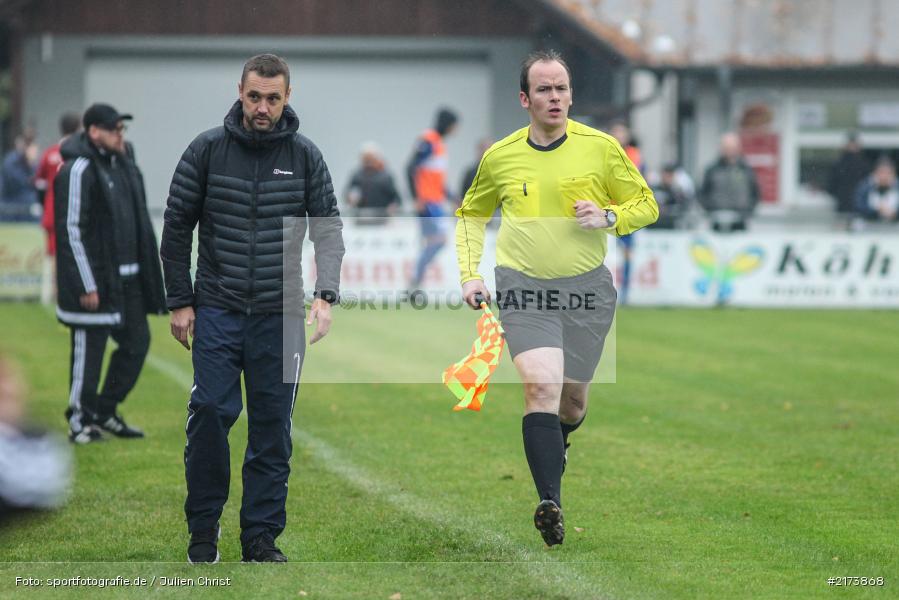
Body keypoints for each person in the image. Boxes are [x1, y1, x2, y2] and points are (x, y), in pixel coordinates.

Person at [454, 50, 658, 546]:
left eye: (562, 88)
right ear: (525, 99)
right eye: (544, 89)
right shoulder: (500, 156)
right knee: (540, 388)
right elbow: (470, 214)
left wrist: (609, 217)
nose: (555, 97)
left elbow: (646, 204)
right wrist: (469, 274)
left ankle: (559, 441)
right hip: (523, 286)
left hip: (587, 288)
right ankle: (551, 502)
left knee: (571, 400)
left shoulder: (602, 148)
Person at [161, 53, 345, 564]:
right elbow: (176, 228)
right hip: (217, 307)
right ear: (239, 91)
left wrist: (326, 294)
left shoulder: (306, 155)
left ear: (288, 97)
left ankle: (260, 539)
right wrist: (180, 301)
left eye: (273, 98)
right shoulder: (206, 150)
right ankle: (204, 529)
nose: (262, 108)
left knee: (271, 429)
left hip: (282, 314)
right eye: (254, 97)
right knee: (209, 414)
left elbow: (328, 229)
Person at [53, 103, 167, 445]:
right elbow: (71, 230)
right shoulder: (78, 169)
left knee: (137, 343)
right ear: (94, 132)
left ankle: (105, 409)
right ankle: (79, 419)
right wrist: (85, 283)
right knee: (90, 352)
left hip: (129, 280)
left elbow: (139, 221)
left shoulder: (125, 164)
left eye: (122, 129)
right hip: (97, 283)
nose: (121, 135)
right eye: (114, 129)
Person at [407, 107, 458, 291]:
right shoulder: (428, 141)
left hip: (435, 200)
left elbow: (436, 179)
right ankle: (414, 280)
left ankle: (415, 284)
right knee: (439, 240)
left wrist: (453, 197)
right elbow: (409, 167)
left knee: (432, 242)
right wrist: (416, 197)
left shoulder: (438, 144)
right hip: (428, 202)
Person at [34, 112, 82, 304]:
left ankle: (51, 293)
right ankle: (63, 294)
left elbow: (39, 183)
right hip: (73, 210)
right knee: (72, 253)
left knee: (53, 254)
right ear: (78, 128)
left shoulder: (50, 153)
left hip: (52, 211)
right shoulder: (80, 151)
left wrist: (43, 205)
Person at [609, 122, 644, 303]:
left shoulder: (634, 155)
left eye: (621, 133)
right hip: (607, 211)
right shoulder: (606, 152)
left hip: (627, 211)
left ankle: (625, 291)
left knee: (627, 252)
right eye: (616, 133)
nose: (619, 136)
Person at [699, 132, 760, 232]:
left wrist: (747, 211)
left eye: (732, 148)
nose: (729, 151)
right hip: (716, 221)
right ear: (721, 148)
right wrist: (710, 210)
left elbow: (755, 193)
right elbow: (702, 192)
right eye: (726, 147)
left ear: (738, 148)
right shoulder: (712, 170)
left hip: (740, 221)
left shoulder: (746, 170)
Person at [344, 142, 401, 224]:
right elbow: (347, 195)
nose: (368, 162)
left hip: (382, 221)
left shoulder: (385, 176)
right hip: (361, 221)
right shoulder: (357, 176)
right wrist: (350, 199)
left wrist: (392, 207)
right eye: (365, 159)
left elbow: (397, 199)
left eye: (370, 158)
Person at [827, 132, 870, 227]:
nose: (852, 147)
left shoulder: (862, 164)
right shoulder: (862, 164)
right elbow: (831, 186)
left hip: (856, 207)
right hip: (845, 206)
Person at [0, 132, 40, 222]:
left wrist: (30, 164)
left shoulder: (32, 163)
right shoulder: (11, 160)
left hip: (25, 202)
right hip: (12, 202)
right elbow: (17, 183)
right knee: (31, 199)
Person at [854, 158, 899, 223]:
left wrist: (894, 213)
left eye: (888, 173)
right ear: (875, 173)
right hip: (870, 226)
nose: (884, 176)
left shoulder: (896, 188)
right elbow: (858, 207)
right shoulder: (866, 187)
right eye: (881, 172)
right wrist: (876, 211)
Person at [651, 163, 691, 229]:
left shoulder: (677, 192)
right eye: (665, 175)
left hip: (671, 227)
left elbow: (683, 208)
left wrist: (669, 210)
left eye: (669, 176)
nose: (667, 178)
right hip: (655, 227)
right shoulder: (654, 190)